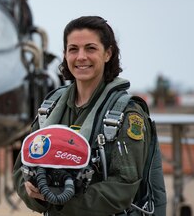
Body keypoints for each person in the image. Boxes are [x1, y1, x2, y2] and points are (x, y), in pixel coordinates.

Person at [13, 16, 166, 215]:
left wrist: (60, 201)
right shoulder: (49, 109)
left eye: (91, 48)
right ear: (65, 55)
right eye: (73, 49)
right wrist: (34, 193)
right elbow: (21, 169)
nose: (81, 57)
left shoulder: (126, 114)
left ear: (108, 53)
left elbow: (123, 187)